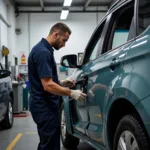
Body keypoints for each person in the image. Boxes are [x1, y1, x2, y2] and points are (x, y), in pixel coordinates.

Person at [28, 22, 86, 150]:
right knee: (50, 146)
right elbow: (47, 86)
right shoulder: (43, 52)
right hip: (44, 107)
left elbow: (46, 80)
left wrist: (62, 82)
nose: (64, 45)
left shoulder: (42, 49)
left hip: (44, 105)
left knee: (48, 143)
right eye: (64, 40)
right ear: (55, 34)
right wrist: (71, 93)